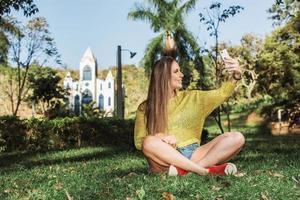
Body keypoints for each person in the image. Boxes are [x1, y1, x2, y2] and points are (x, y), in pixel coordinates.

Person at [134, 56, 245, 176]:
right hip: (165, 160)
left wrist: (236, 76)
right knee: (148, 142)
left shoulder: (194, 98)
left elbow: (222, 93)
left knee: (237, 138)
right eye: (176, 71)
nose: (181, 75)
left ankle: (187, 171)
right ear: (163, 76)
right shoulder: (144, 108)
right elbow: (139, 142)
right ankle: (203, 171)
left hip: (195, 154)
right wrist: (160, 136)